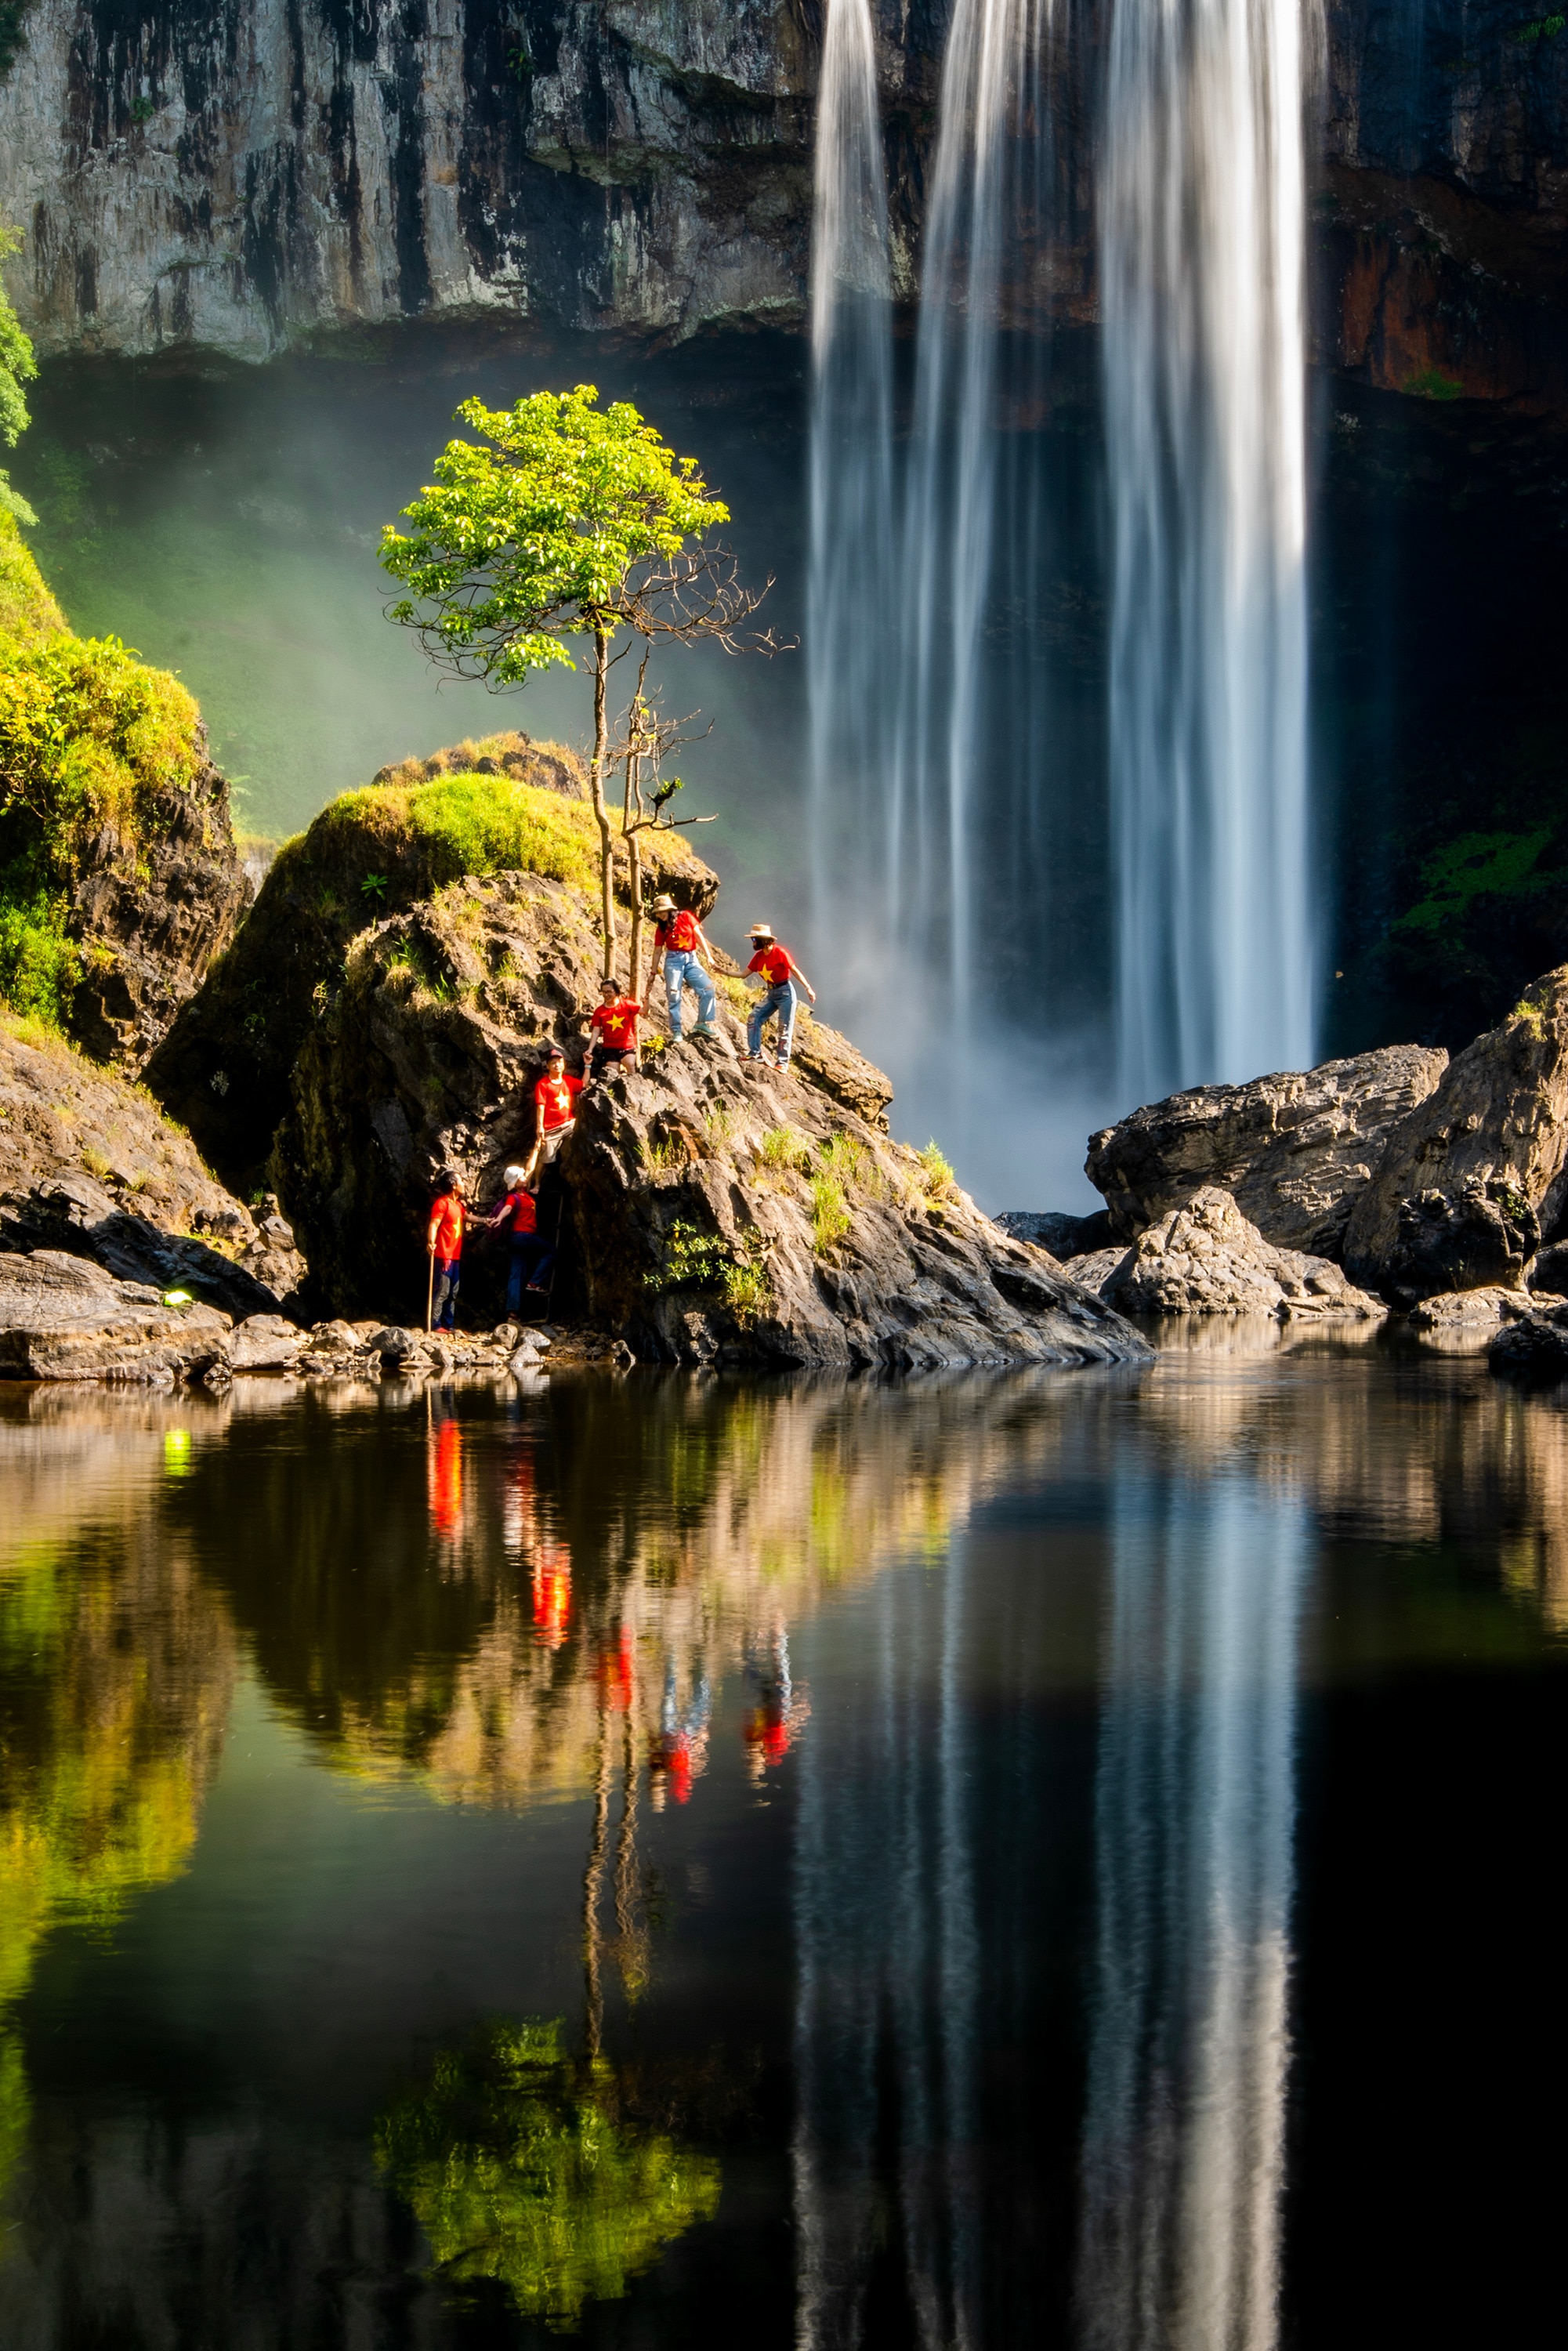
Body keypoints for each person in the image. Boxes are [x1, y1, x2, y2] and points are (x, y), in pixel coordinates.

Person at [642, 891, 719, 1043]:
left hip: (691, 958)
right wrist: (653, 971)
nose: (660, 915)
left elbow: (698, 936)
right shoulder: (661, 929)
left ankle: (701, 1023)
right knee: (674, 994)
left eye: (662, 911)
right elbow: (657, 951)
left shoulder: (686, 917)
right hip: (673, 960)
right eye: (658, 913)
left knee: (708, 989)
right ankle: (676, 1031)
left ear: (670, 909)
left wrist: (709, 956)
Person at [744, 922, 817, 1070]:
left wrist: (808, 988)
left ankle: (782, 1064)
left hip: (785, 993)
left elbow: (795, 970)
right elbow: (743, 974)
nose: (753, 942)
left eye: (754, 939)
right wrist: (722, 971)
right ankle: (755, 1054)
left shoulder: (780, 953)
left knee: (784, 1027)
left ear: (763, 940)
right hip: (771, 993)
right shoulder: (758, 957)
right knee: (754, 1018)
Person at [487, 1162, 555, 1313]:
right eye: (521, 1176)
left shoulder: (525, 1193)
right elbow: (508, 1207)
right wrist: (499, 1218)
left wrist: (537, 1147)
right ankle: (534, 1282)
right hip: (522, 1236)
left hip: (516, 1239)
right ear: (515, 1182)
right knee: (550, 1252)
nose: (524, 1177)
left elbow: (530, 1170)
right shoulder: (513, 1197)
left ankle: (513, 1313)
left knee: (516, 1273)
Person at [527, 1045, 584, 1179]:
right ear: (548, 1066)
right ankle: (537, 1184)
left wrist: (587, 1066)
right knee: (545, 1159)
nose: (557, 1065)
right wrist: (540, 1127)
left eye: (560, 1062)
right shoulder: (543, 1084)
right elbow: (540, 1106)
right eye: (553, 1063)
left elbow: (584, 1084)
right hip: (551, 1128)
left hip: (569, 1124)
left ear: (564, 1064)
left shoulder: (569, 1081)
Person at [425, 1168, 465, 1331]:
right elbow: (434, 1224)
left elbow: (467, 1217)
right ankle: (435, 1325)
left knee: (453, 1292)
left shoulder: (458, 1205)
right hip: (444, 1255)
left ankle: (449, 1325)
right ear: (454, 1185)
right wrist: (431, 1242)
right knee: (442, 1290)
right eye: (461, 1181)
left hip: (455, 1256)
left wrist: (486, 1220)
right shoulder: (442, 1203)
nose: (464, 1184)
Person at [585, 976, 641, 1081]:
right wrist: (590, 1049)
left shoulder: (627, 1005)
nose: (606, 995)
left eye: (609, 992)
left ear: (616, 991)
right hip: (610, 1048)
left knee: (630, 1064)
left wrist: (647, 998)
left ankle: (635, 1088)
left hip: (627, 1046)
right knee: (613, 1074)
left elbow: (644, 1011)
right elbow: (596, 1032)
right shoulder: (599, 1011)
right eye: (604, 992)